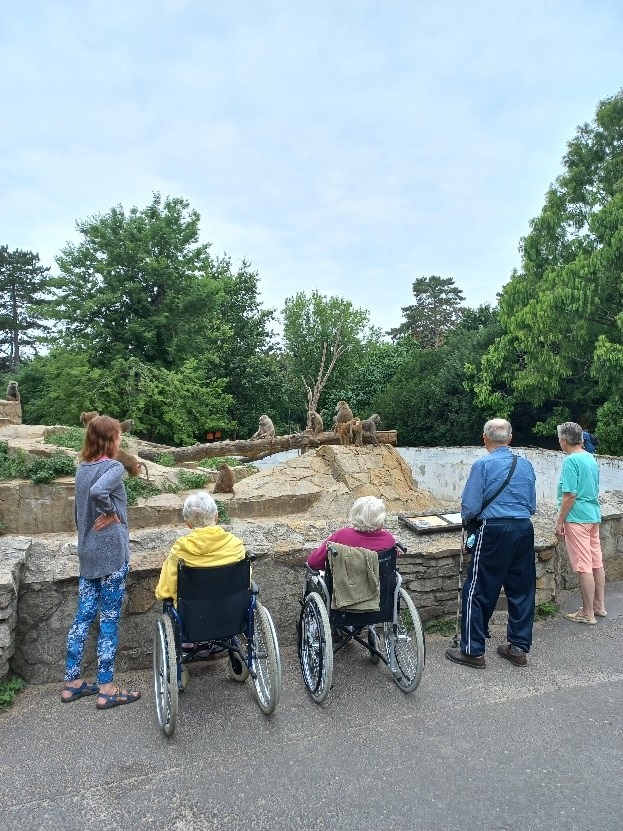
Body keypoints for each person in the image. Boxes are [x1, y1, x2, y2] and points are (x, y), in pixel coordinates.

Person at [61, 415, 141, 710]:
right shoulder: (114, 467)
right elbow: (99, 493)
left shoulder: (82, 469)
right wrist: (111, 513)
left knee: (82, 617)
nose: (121, 439)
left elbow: (78, 510)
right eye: (118, 435)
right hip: (110, 554)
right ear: (111, 439)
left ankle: (72, 682)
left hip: (88, 553)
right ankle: (107, 688)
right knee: (108, 621)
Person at [446, 418, 537, 669]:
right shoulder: (526, 464)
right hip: (523, 528)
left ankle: (473, 651)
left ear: (484, 438)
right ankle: (518, 648)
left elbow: (471, 506)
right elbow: (531, 504)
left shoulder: (482, 465)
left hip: (494, 530)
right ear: (510, 439)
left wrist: (469, 522)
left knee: (479, 590)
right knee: (522, 589)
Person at [555, 422, 606, 624]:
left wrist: (560, 520)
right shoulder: (590, 458)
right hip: (593, 515)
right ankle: (599, 606)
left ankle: (587, 613)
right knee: (596, 562)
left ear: (564, 440)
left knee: (584, 565)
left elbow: (570, 495)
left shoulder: (571, 461)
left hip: (577, 518)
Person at [155, 491, 246, 604]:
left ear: (188, 524)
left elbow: (168, 588)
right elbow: (246, 578)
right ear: (216, 516)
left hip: (192, 616)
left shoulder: (180, 550)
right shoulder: (236, 545)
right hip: (233, 609)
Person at [307, 495, 396, 571]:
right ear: (380, 519)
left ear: (355, 515)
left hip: (347, 588)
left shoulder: (342, 536)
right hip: (381, 588)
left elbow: (314, 562)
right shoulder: (387, 538)